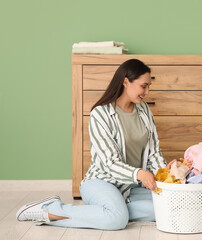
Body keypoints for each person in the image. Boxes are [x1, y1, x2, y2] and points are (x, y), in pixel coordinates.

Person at [15, 59, 167, 230]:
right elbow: (109, 163)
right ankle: (50, 209)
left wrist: (167, 177)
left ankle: (107, 211)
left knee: (166, 207)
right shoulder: (100, 114)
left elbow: (154, 153)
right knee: (117, 220)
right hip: (101, 182)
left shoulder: (144, 110)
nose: (147, 92)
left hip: (128, 186)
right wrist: (140, 174)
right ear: (126, 82)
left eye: (148, 87)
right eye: (144, 86)